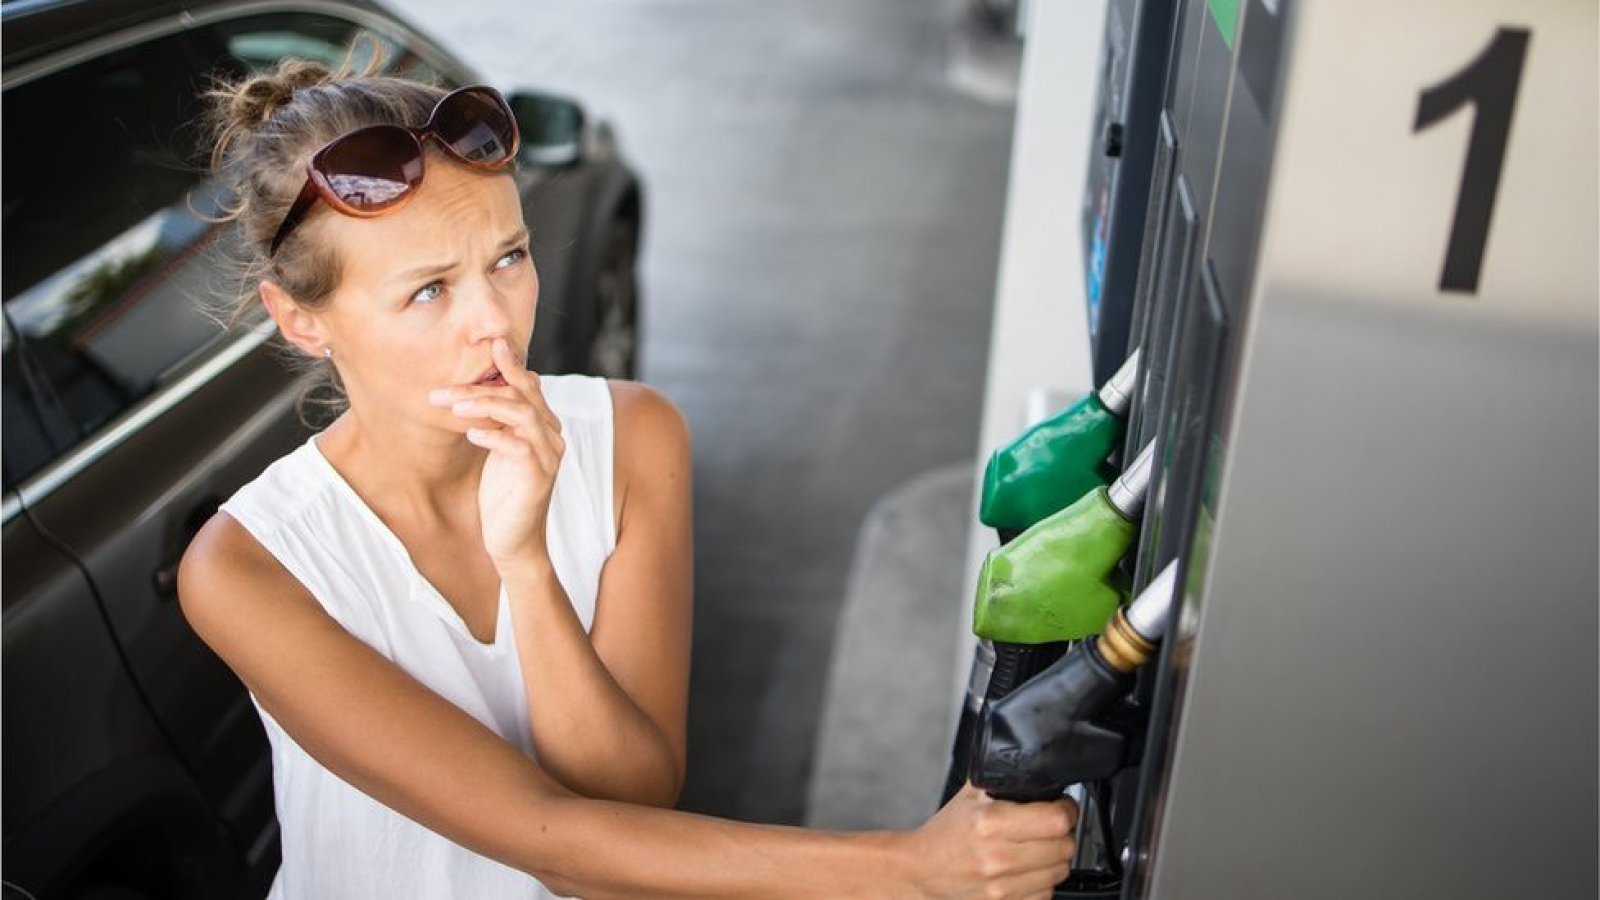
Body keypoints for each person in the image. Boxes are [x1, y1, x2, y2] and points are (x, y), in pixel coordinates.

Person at [178, 51, 1076, 900]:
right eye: (428, 290)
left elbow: (632, 797)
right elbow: (556, 846)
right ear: (301, 321)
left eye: (509, 258)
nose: (496, 322)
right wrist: (908, 870)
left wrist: (527, 564)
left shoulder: (635, 437)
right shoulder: (250, 568)